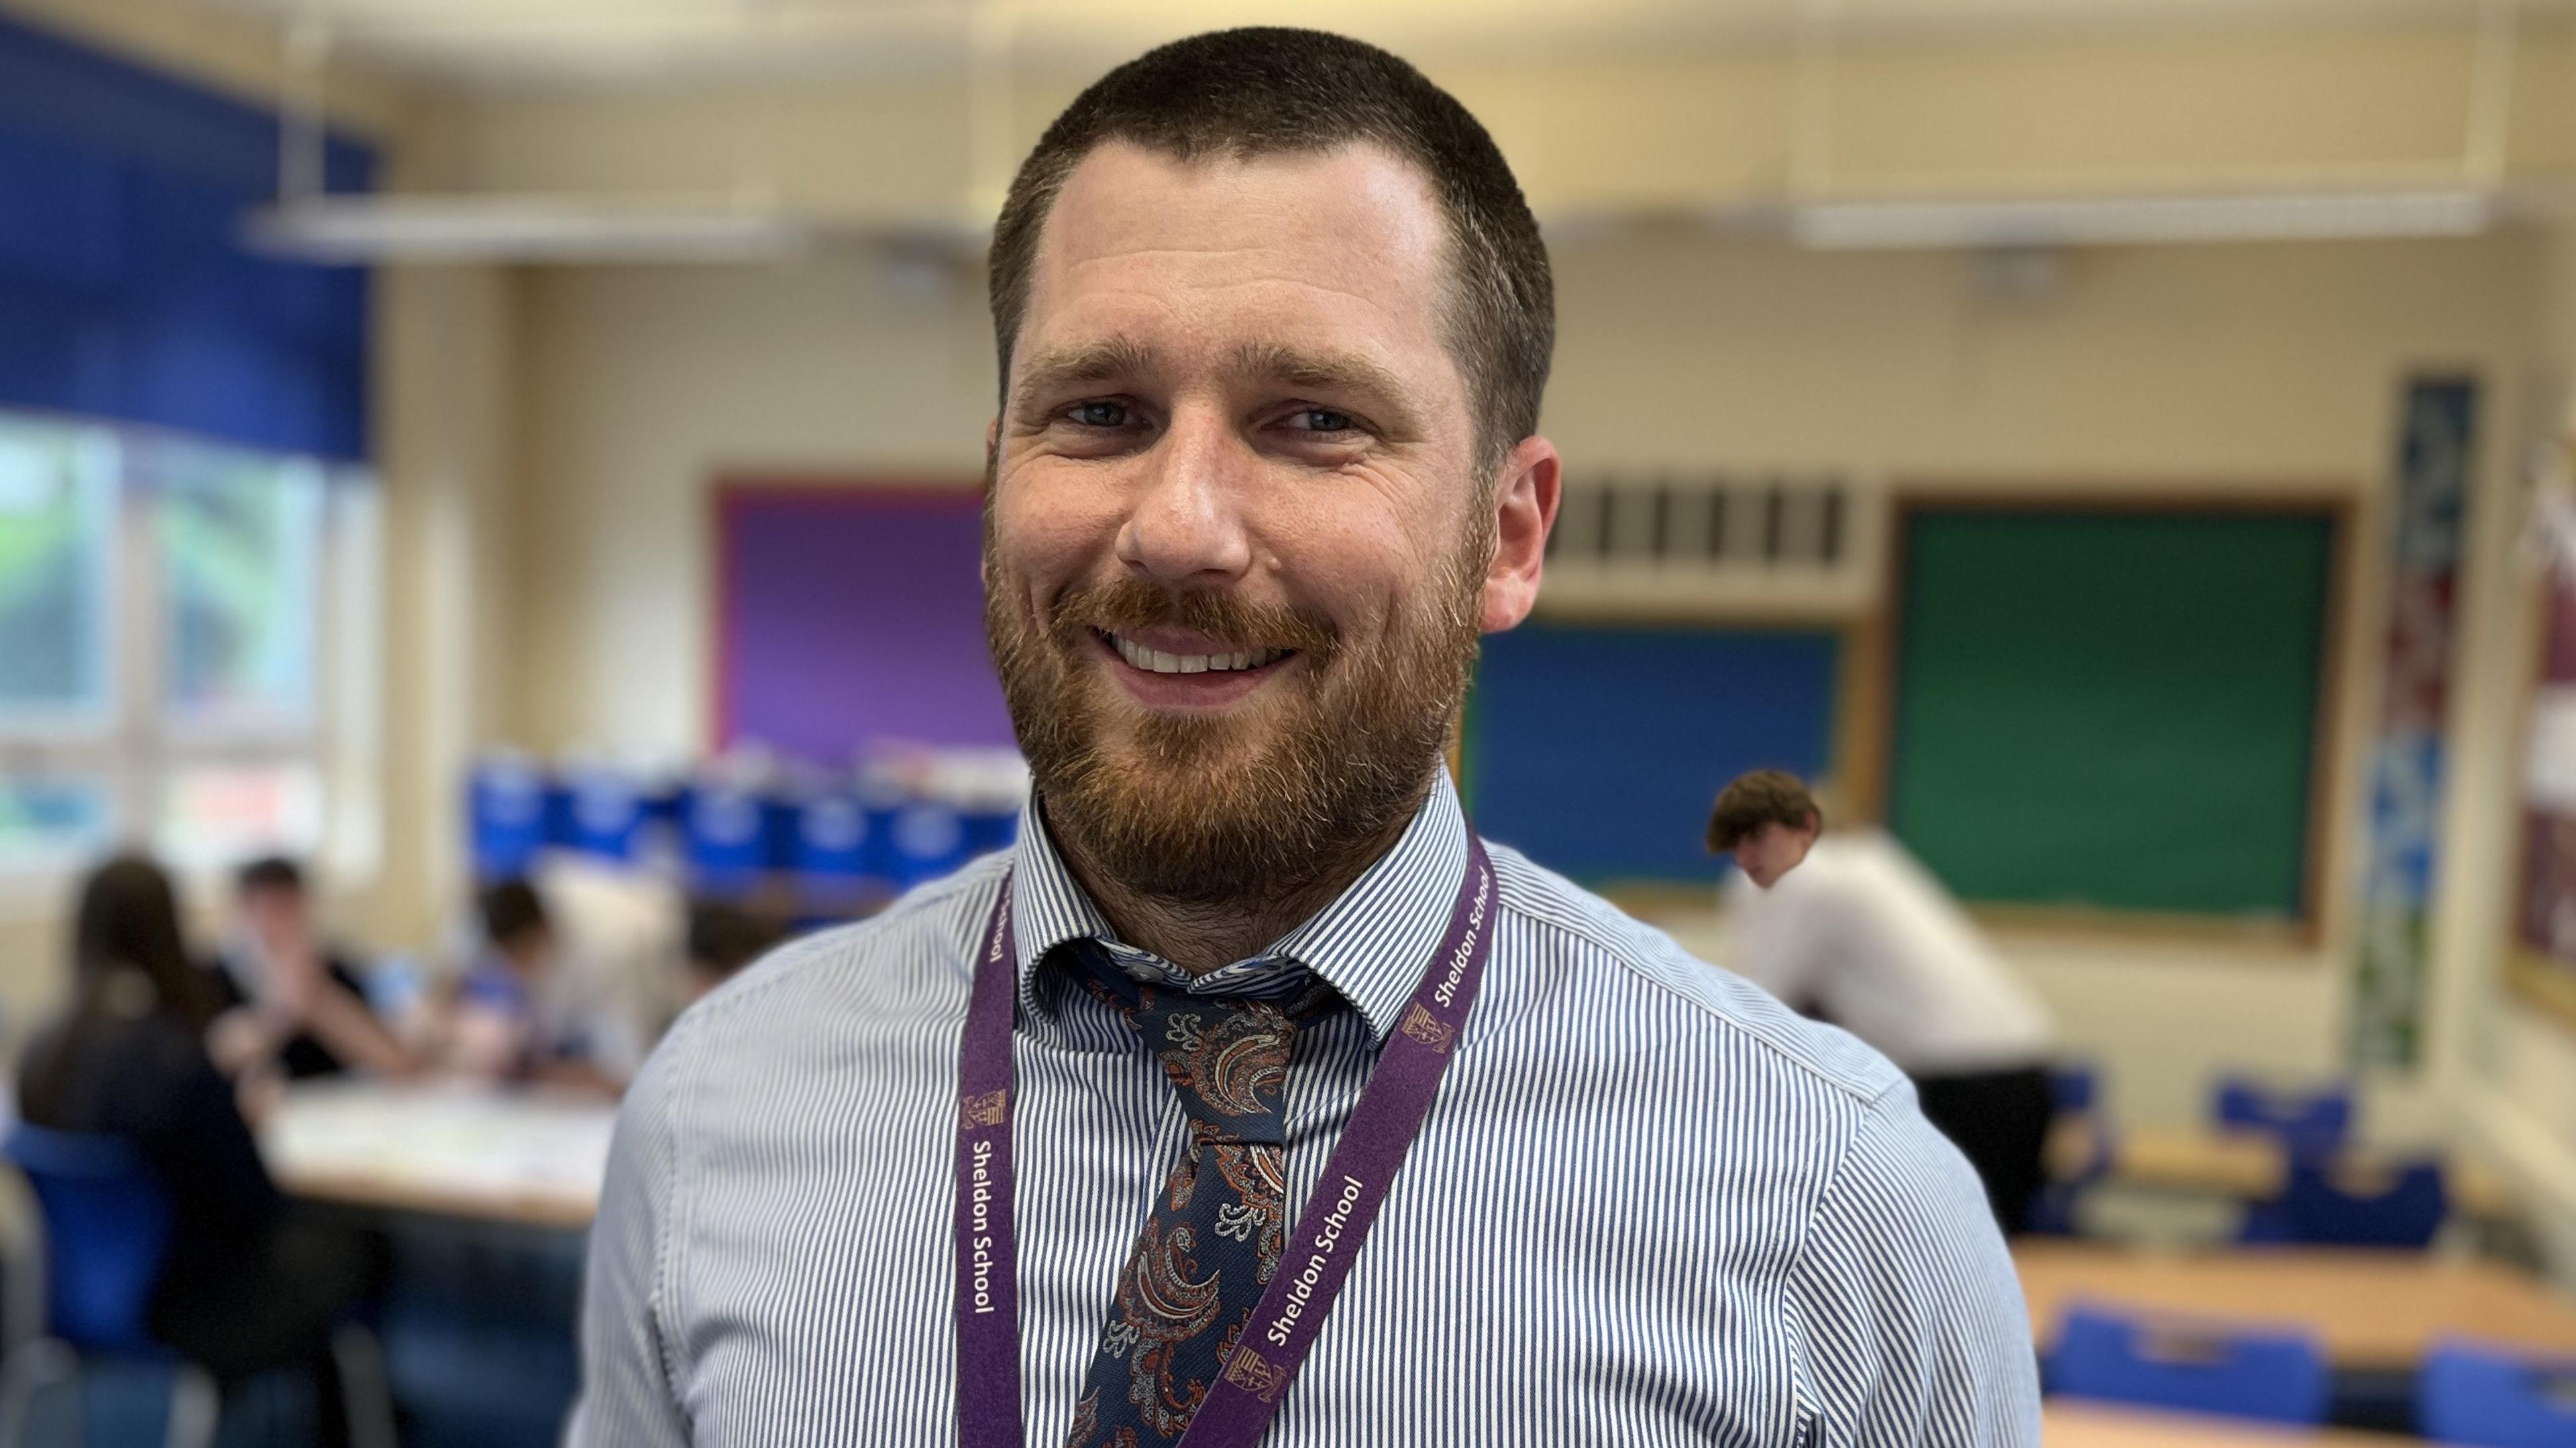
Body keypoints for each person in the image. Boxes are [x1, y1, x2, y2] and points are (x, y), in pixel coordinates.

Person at [572, 29, 2038, 1447]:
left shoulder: (1836, 1215)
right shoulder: (715, 1114)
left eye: (1315, 418)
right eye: (1098, 410)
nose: (1179, 524)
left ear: (1507, 535)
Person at [17, 856, 380, 1441]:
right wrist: (232, 1115)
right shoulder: (171, 1054)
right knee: (355, 1246)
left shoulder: (43, 1049)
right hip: (191, 1306)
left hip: (77, 1298)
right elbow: (253, 1202)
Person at [1711, 769, 2060, 1235]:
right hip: (2024, 1071)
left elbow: (1758, 1006)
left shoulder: (1799, 878)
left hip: (1960, 1082)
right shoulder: (1874, 859)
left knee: (1937, 1252)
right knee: (1991, 1261)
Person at [208, 855, 413, 1082]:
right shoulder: (216, 977)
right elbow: (218, 1058)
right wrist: (283, 1011)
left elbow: (396, 1062)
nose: (283, 925)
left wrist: (317, 1000)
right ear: (245, 911)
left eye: (291, 909)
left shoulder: (333, 970)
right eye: (273, 910)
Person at [445, 878, 617, 1090]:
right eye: (508, 958)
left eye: (522, 954)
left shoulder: (609, 956)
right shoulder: (484, 932)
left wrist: (532, 1071)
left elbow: (619, 1075)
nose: (515, 969)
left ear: (542, 933)